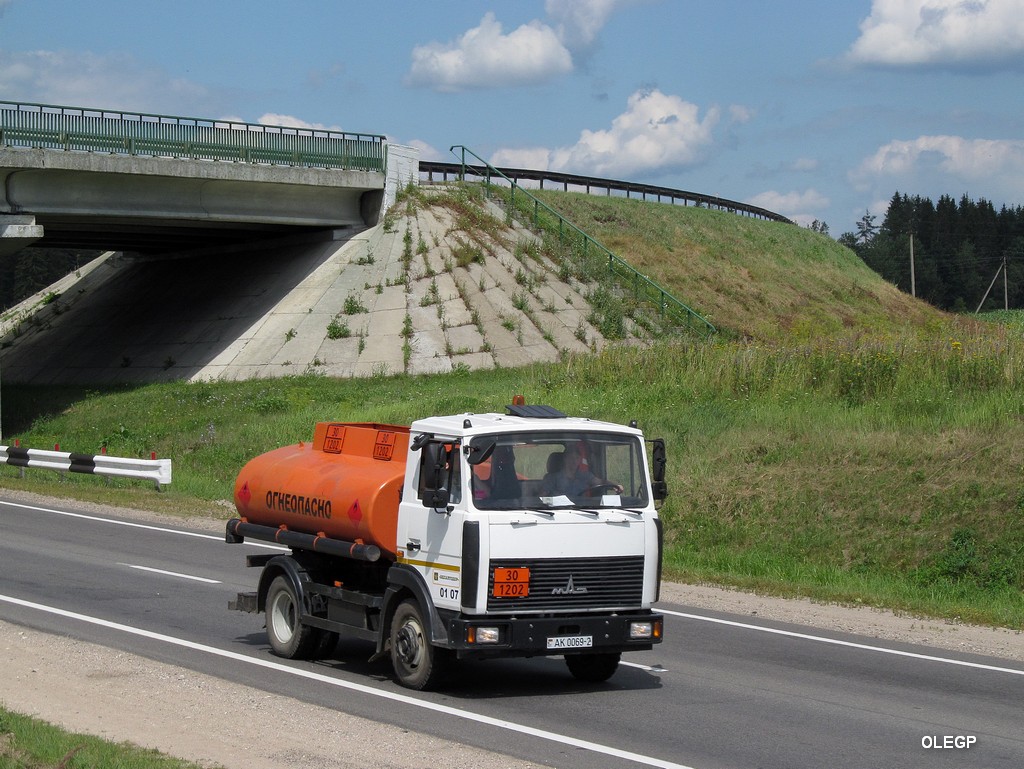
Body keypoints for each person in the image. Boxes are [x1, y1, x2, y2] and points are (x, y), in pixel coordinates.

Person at [542, 442, 621, 497]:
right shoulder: (551, 478)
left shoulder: (585, 476)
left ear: (580, 460)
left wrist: (614, 486)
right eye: (571, 458)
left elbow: (600, 482)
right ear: (565, 459)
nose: (574, 461)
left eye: (577, 458)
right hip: (558, 513)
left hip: (584, 511)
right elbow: (541, 498)